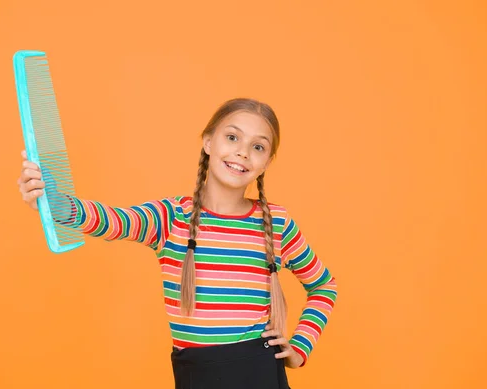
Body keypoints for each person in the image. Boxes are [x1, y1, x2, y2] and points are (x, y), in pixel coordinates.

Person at [17, 97, 337, 389]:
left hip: (260, 374)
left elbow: (324, 286)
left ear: (267, 161)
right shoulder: (170, 218)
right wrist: (53, 201)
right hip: (196, 376)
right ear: (208, 141)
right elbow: (112, 221)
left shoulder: (276, 223)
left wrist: (299, 348)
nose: (242, 151)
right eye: (232, 137)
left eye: (258, 147)